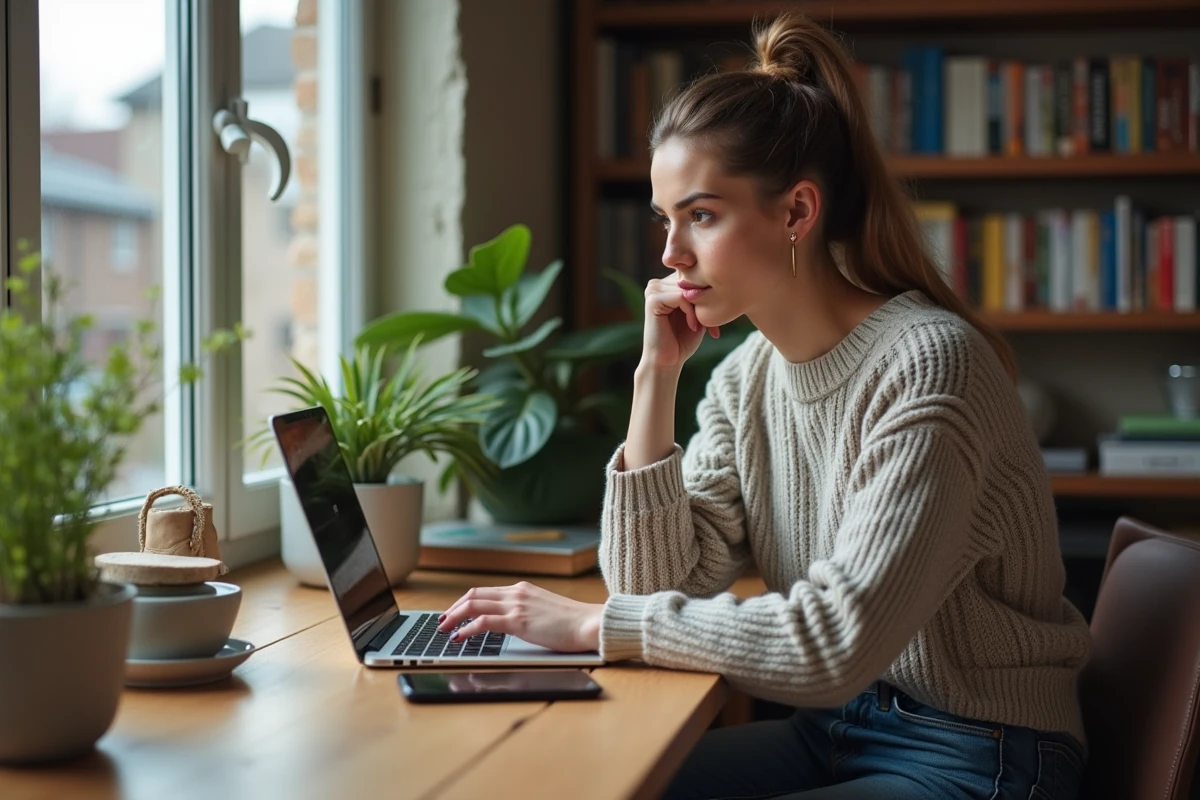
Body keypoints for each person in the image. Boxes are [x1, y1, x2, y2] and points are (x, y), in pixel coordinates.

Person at [436, 12, 1091, 799]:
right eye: (665, 219)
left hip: (978, 749)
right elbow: (651, 584)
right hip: (834, 729)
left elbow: (834, 641)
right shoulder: (747, 376)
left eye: (701, 216)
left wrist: (589, 628)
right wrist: (655, 378)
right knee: (584, 786)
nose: (671, 255)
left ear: (796, 213)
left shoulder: (930, 367)